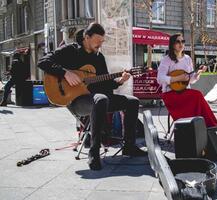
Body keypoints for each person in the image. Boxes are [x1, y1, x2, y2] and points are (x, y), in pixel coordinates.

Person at [37, 22, 146, 171]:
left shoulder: (99, 57)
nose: (100, 44)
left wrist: (119, 81)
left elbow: (104, 83)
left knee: (132, 101)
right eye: (98, 41)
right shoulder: (70, 51)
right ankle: (94, 152)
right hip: (76, 101)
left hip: (96, 99)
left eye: (102, 41)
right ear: (86, 37)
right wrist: (65, 73)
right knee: (101, 99)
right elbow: (43, 61)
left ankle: (129, 146)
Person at [157, 33, 217, 128]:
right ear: (172, 44)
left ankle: (205, 127)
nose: (181, 43)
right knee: (197, 95)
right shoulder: (167, 60)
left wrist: (198, 73)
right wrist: (178, 78)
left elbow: (191, 80)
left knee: (197, 95)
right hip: (170, 94)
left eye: (183, 41)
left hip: (185, 92)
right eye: (178, 41)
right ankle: (208, 125)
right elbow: (160, 78)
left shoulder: (187, 59)